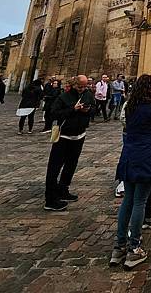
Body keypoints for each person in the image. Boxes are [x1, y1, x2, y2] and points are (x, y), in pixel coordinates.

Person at [109, 74, 151, 270]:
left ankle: (119, 247)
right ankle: (134, 248)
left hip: (128, 156)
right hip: (145, 156)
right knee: (140, 202)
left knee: (128, 200)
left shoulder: (129, 106)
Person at [44, 75, 94, 211]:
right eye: (80, 87)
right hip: (63, 136)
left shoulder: (87, 95)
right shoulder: (63, 97)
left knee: (71, 164)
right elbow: (53, 114)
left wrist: (88, 110)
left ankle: (63, 189)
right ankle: (50, 199)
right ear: (73, 85)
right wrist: (73, 109)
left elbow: (94, 109)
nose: (82, 89)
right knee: (55, 167)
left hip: (79, 135)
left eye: (85, 86)